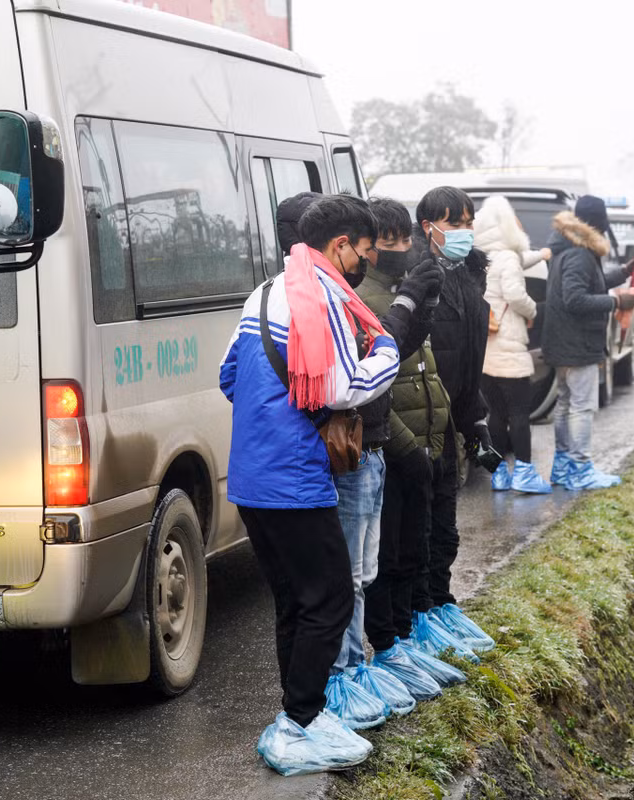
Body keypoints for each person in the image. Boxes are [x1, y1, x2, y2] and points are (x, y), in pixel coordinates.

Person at [220, 194, 422, 775]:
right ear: (340, 247)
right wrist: (385, 347)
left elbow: (228, 374)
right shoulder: (325, 298)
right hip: (294, 478)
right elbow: (342, 390)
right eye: (363, 250)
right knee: (330, 597)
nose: (366, 261)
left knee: (296, 600)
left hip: (252, 473)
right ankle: (298, 723)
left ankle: (297, 719)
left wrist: (269, 415)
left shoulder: (265, 292)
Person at [351, 196, 472, 695]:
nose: (401, 248)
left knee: (416, 547)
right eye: (388, 241)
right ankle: (389, 640)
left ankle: (408, 632)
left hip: (424, 441)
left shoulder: (408, 290)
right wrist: (408, 448)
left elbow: (425, 373)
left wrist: (449, 431)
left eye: (405, 239)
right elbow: (377, 386)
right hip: (395, 448)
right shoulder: (370, 300)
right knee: (384, 559)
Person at [415, 186, 502, 652]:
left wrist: (477, 421)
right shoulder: (417, 277)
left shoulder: (470, 276)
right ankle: (419, 619)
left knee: (445, 527)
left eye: (469, 223)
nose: (465, 232)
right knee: (419, 530)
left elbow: (469, 363)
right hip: (420, 423)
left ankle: (441, 605)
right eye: (455, 224)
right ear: (428, 227)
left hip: (452, 420)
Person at [540, 195, 634, 490]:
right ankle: (581, 468)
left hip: (561, 340)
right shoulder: (581, 254)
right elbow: (575, 298)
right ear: (597, 225)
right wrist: (616, 300)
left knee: (565, 404)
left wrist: (624, 272)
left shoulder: (566, 247)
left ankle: (563, 466)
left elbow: (588, 283)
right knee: (581, 406)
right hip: (577, 343)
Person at [474, 194, 550, 493]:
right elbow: (516, 295)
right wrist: (532, 312)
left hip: (485, 348)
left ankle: (499, 475)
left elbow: (519, 260)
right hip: (508, 347)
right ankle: (525, 473)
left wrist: (541, 254)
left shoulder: (480, 257)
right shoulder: (507, 257)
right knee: (520, 413)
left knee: (495, 414)